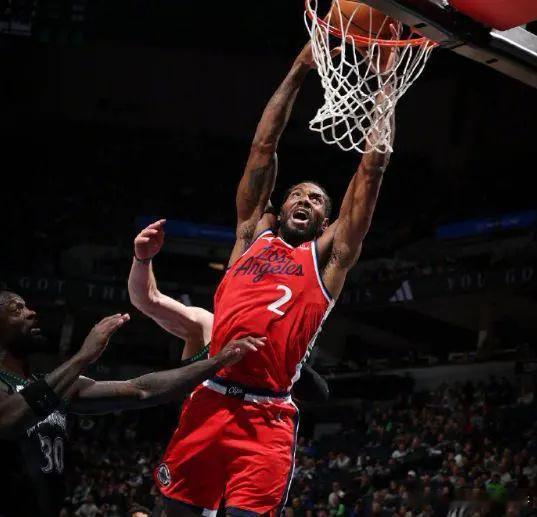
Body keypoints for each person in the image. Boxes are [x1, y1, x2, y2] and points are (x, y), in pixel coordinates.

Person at [148, 40, 394, 516]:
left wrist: (385, 86)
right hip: (209, 399)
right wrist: (300, 67)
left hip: (267, 417)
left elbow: (373, 169)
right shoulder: (249, 237)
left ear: (326, 222)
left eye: (317, 199)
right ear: (279, 208)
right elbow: (264, 145)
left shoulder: (328, 261)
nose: (305, 200)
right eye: (297, 194)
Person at [0, 290, 263, 517]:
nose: (32, 313)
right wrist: (83, 357)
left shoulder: (57, 387)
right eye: (16, 309)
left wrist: (217, 361)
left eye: (27, 306)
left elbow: (141, 389)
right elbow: (9, 420)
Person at [128, 220, 329, 403]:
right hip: (199, 426)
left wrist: (296, 371)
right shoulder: (206, 325)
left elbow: (320, 393)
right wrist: (142, 260)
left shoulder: (284, 352)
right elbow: (147, 299)